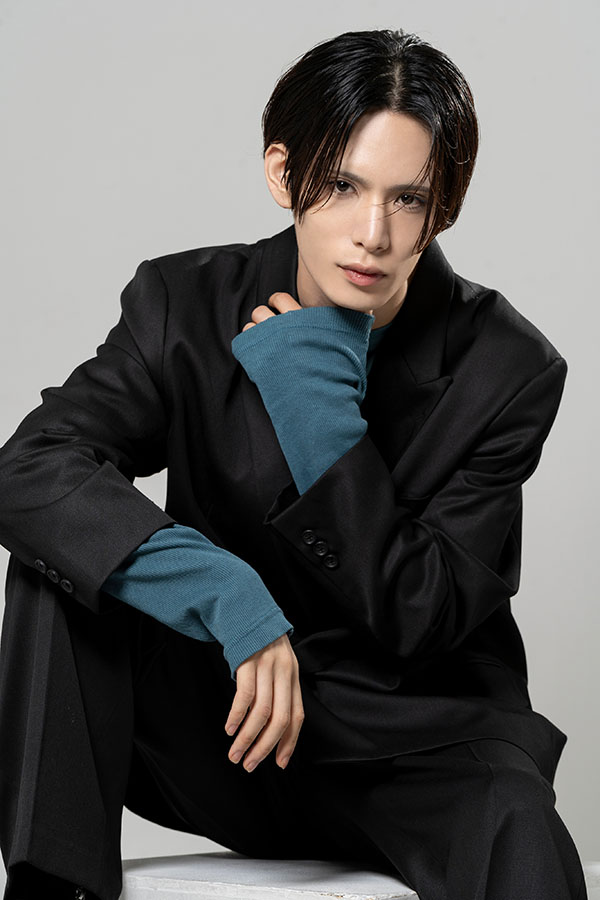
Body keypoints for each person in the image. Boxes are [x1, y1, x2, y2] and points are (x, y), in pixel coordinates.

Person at [0, 27, 588, 900]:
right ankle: (52, 892)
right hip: (222, 728)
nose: (373, 233)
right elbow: (29, 470)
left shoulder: (508, 368)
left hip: (406, 745)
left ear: (442, 210)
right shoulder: (184, 304)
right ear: (284, 173)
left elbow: (419, 616)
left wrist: (317, 410)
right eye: (343, 186)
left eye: (408, 199)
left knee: (520, 825)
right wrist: (228, 596)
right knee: (63, 561)